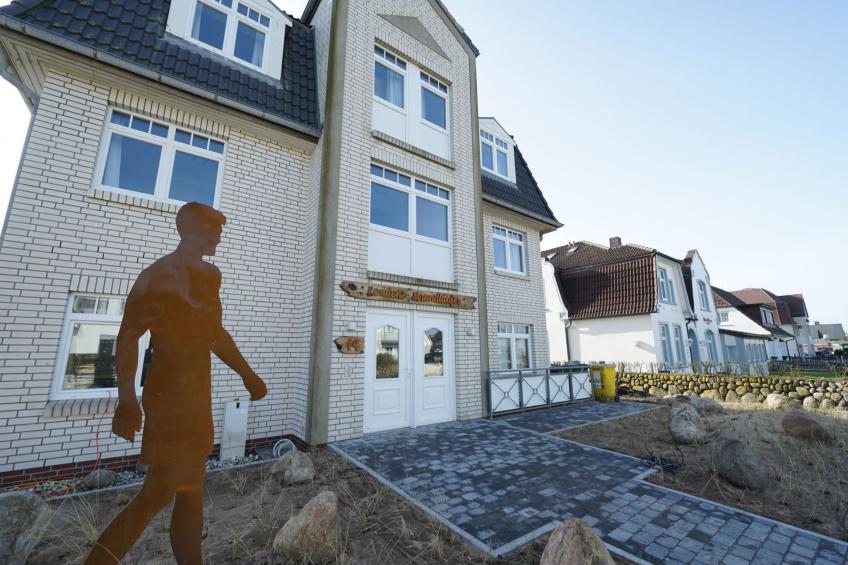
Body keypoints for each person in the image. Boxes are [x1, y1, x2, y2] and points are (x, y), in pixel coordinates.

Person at [85, 202, 267, 564]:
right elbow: (127, 337)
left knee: (190, 489)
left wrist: (248, 375)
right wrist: (126, 398)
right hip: (168, 398)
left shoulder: (210, 277)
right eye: (213, 231)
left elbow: (215, 334)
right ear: (191, 231)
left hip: (197, 395)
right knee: (158, 493)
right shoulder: (155, 277)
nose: (218, 238)